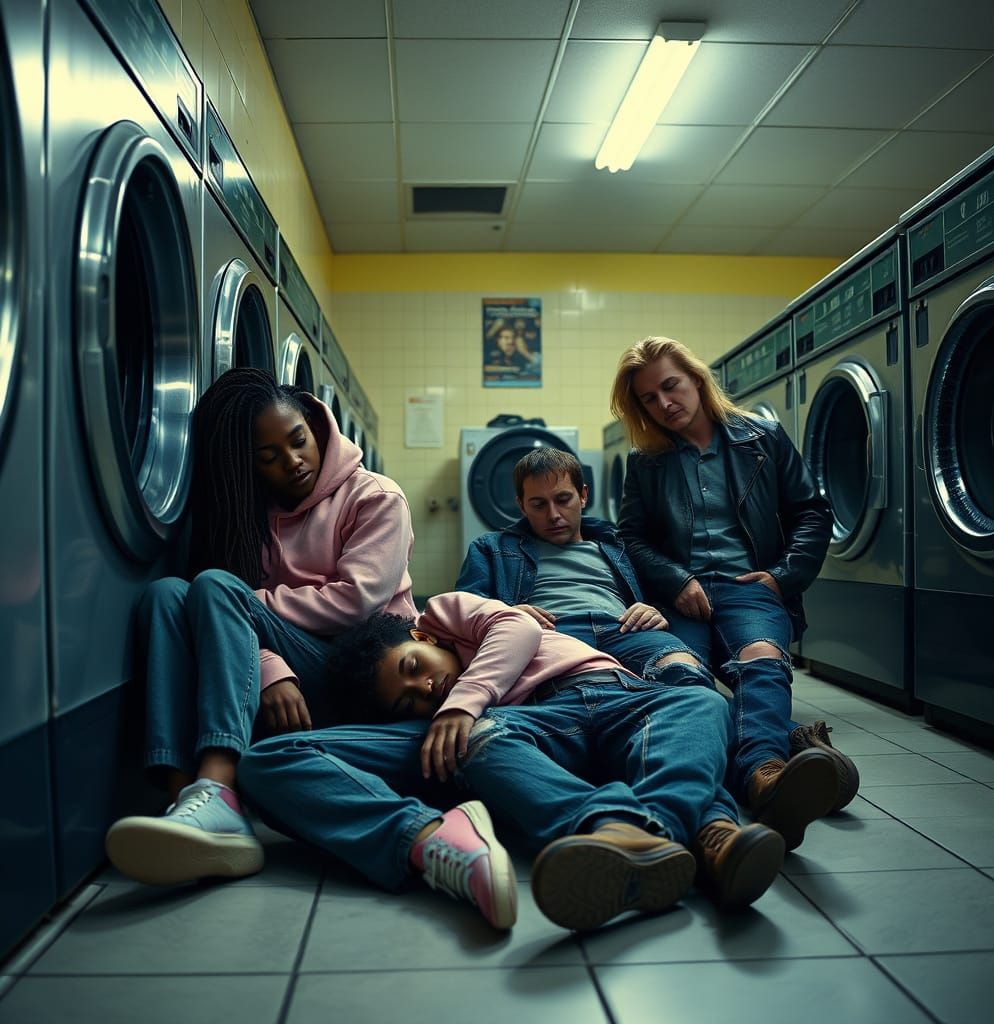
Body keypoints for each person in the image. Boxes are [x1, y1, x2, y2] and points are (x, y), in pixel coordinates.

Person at [104, 367, 418, 888]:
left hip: (359, 671)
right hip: (279, 669)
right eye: (268, 456)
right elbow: (236, 618)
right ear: (246, 463)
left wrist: (245, 607)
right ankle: (187, 798)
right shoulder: (245, 510)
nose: (292, 462)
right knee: (165, 596)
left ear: (317, 430)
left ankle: (220, 784)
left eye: (298, 442)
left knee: (215, 587)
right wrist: (269, 666)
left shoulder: (376, 496)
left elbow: (357, 603)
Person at [325, 592, 787, 931]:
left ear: (422, 636)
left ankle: (654, 836)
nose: (424, 688)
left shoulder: (444, 614)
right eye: (409, 704)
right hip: (541, 721)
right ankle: (703, 840)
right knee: (480, 741)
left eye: (413, 666)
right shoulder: (472, 716)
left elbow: (519, 628)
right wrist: (469, 717)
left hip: (613, 688)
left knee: (697, 706)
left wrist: (462, 702)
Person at [610, 336, 859, 851]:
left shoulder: (761, 437)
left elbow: (810, 511)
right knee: (684, 681)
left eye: (670, 386)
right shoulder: (647, 461)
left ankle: (762, 775)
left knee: (762, 660)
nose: (664, 404)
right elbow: (632, 537)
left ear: (697, 379)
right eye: (649, 399)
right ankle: (790, 741)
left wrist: (781, 576)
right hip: (682, 595)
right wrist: (676, 580)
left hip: (749, 587)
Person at [457, 447, 713, 691]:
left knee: (688, 674)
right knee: (560, 694)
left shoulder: (621, 543)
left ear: (583, 495)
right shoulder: (491, 547)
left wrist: (653, 610)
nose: (554, 514)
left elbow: (665, 588)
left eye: (563, 499)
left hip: (624, 629)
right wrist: (504, 614)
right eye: (538, 505)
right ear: (522, 506)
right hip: (551, 635)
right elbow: (462, 614)